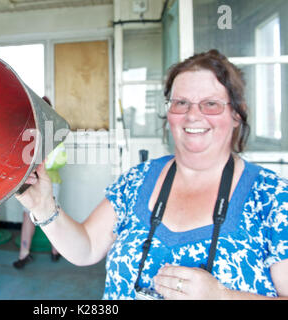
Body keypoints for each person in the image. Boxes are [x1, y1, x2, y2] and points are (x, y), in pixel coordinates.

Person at [15, 50, 288, 300]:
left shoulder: (273, 198)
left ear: (237, 114)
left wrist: (222, 296)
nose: (193, 115)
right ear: (168, 113)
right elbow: (85, 248)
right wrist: (44, 206)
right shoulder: (136, 180)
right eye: (181, 102)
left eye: (211, 104)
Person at [13, 96, 67, 269]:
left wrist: (38, 164)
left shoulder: (55, 132)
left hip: (51, 181)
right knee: (27, 216)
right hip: (30, 182)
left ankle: (56, 250)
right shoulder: (28, 132)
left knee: (53, 215)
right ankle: (24, 253)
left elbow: (61, 159)